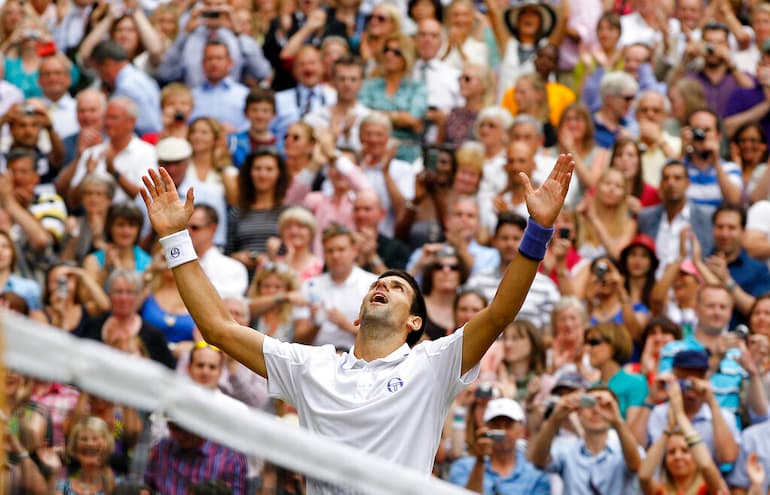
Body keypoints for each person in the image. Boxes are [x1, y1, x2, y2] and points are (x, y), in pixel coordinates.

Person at [139, 146, 573, 490]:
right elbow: (218, 329)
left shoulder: (433, 364)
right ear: (357, 317)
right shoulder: (312, 367)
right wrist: (176, 239)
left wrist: (538, 232)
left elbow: (498, 313)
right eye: (376, 286)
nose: (381, 287)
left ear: (414, 324)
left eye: (398, 287)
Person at [527, 386, 643, 495]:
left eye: (605, 405)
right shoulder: (567, 448)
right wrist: (555, 419)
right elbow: (538, 461)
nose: (596, 410)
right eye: (589, 403)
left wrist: (617, 421)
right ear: (578, 412)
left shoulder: (624, 447)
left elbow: (636, 466)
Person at [638, 378, 729, 495]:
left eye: (685, 451)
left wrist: (680, 416)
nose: (678, 456)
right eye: (671, 452)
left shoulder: (710, 488)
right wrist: (668, 428)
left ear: (696, 457)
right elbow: (644, 476)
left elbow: (706, 465)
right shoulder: (659, 491)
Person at [448, 398, 551, 494]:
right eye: (496, 425)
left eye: (508, 425)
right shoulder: (463, 467)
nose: (502, 431)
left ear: (522, 430)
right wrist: (480, 461)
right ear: (486, 428)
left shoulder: (537, 476)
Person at [90, 40, 161, 136]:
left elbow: (148, 125)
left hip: (144, 141)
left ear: (108, 64)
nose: (101, 77)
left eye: (99, 70)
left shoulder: (126, 87)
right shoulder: (141, 77)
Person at [188, 204, 247, 299]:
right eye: (184, 228)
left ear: (212, 229)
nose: (188, 232)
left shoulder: (233, 268)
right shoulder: (169, 264)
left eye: (195, 227)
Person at [190, 40, 250, 132]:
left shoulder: (244, 95)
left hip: (235, 144)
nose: (214, 63)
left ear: (230, 62)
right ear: (203, 63)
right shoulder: (192, 96)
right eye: (210, 58)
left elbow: (252, 126)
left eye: (219, 58)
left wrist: (236, 132)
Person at [57, 416, 116, 495]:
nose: (89, 444)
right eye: (84, 439)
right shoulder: (61, 487)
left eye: (95, 438)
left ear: (107, 444)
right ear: (74, 447)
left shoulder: (120, 486)